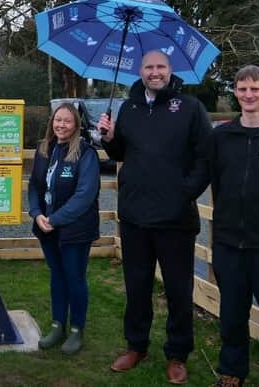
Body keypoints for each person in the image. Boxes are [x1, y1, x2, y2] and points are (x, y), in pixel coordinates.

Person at [98, 50, 211, 384]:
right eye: (149, 67)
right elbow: (121, 153)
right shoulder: (128, 108)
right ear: (141, 71)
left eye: (161, 66)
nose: (155, 72)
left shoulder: (190, 108)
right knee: (137, 287)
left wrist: (183, 194)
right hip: (134, 217)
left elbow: (205, 159)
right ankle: (137, 346)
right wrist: (108, 139)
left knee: (178, 290)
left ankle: (177, 354)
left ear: (170, 70)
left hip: (175, 219)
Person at [210, 65, 259, 387]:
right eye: (242, 89)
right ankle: (232, 373)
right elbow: (205, 176)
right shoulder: (222, 136)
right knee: (232, 317)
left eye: (255, 88)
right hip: (228, 245)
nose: (248, 94)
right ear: (235, 93)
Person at [28, 102, 100, 355]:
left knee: (74, 278)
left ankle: (76, 330)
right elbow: (35, 187)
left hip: (75, 229)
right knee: (57, 276)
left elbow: (85, 195)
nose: (61, 125)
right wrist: (37, 214)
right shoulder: (44, 149)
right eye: (58, 120)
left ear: (76, 125)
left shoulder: (85, 152)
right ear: (52, 121)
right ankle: (58, 325)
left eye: (67, 121)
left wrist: (54, 219)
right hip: (47, 228)